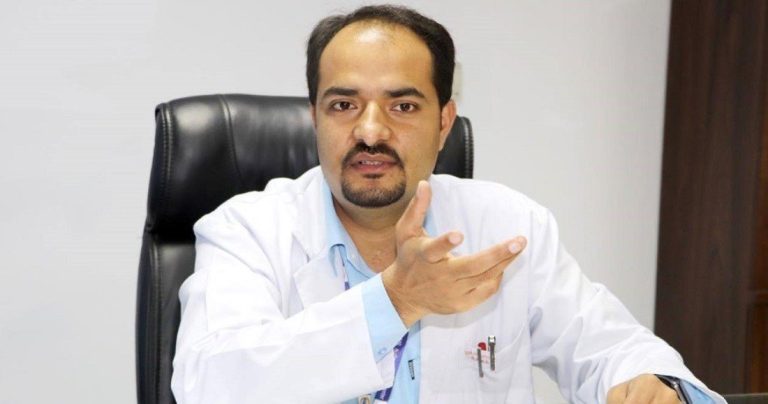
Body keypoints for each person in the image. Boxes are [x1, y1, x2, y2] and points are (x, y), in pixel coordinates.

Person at [170, 5, 724, 404]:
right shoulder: (247, 229)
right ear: (314, 117)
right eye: (343, 105)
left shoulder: (507, 225)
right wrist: (394, 301)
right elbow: (207, 383)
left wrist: (655, 384)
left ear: (443, 122)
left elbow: (605, 344)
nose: (370, 131)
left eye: (403, 106)